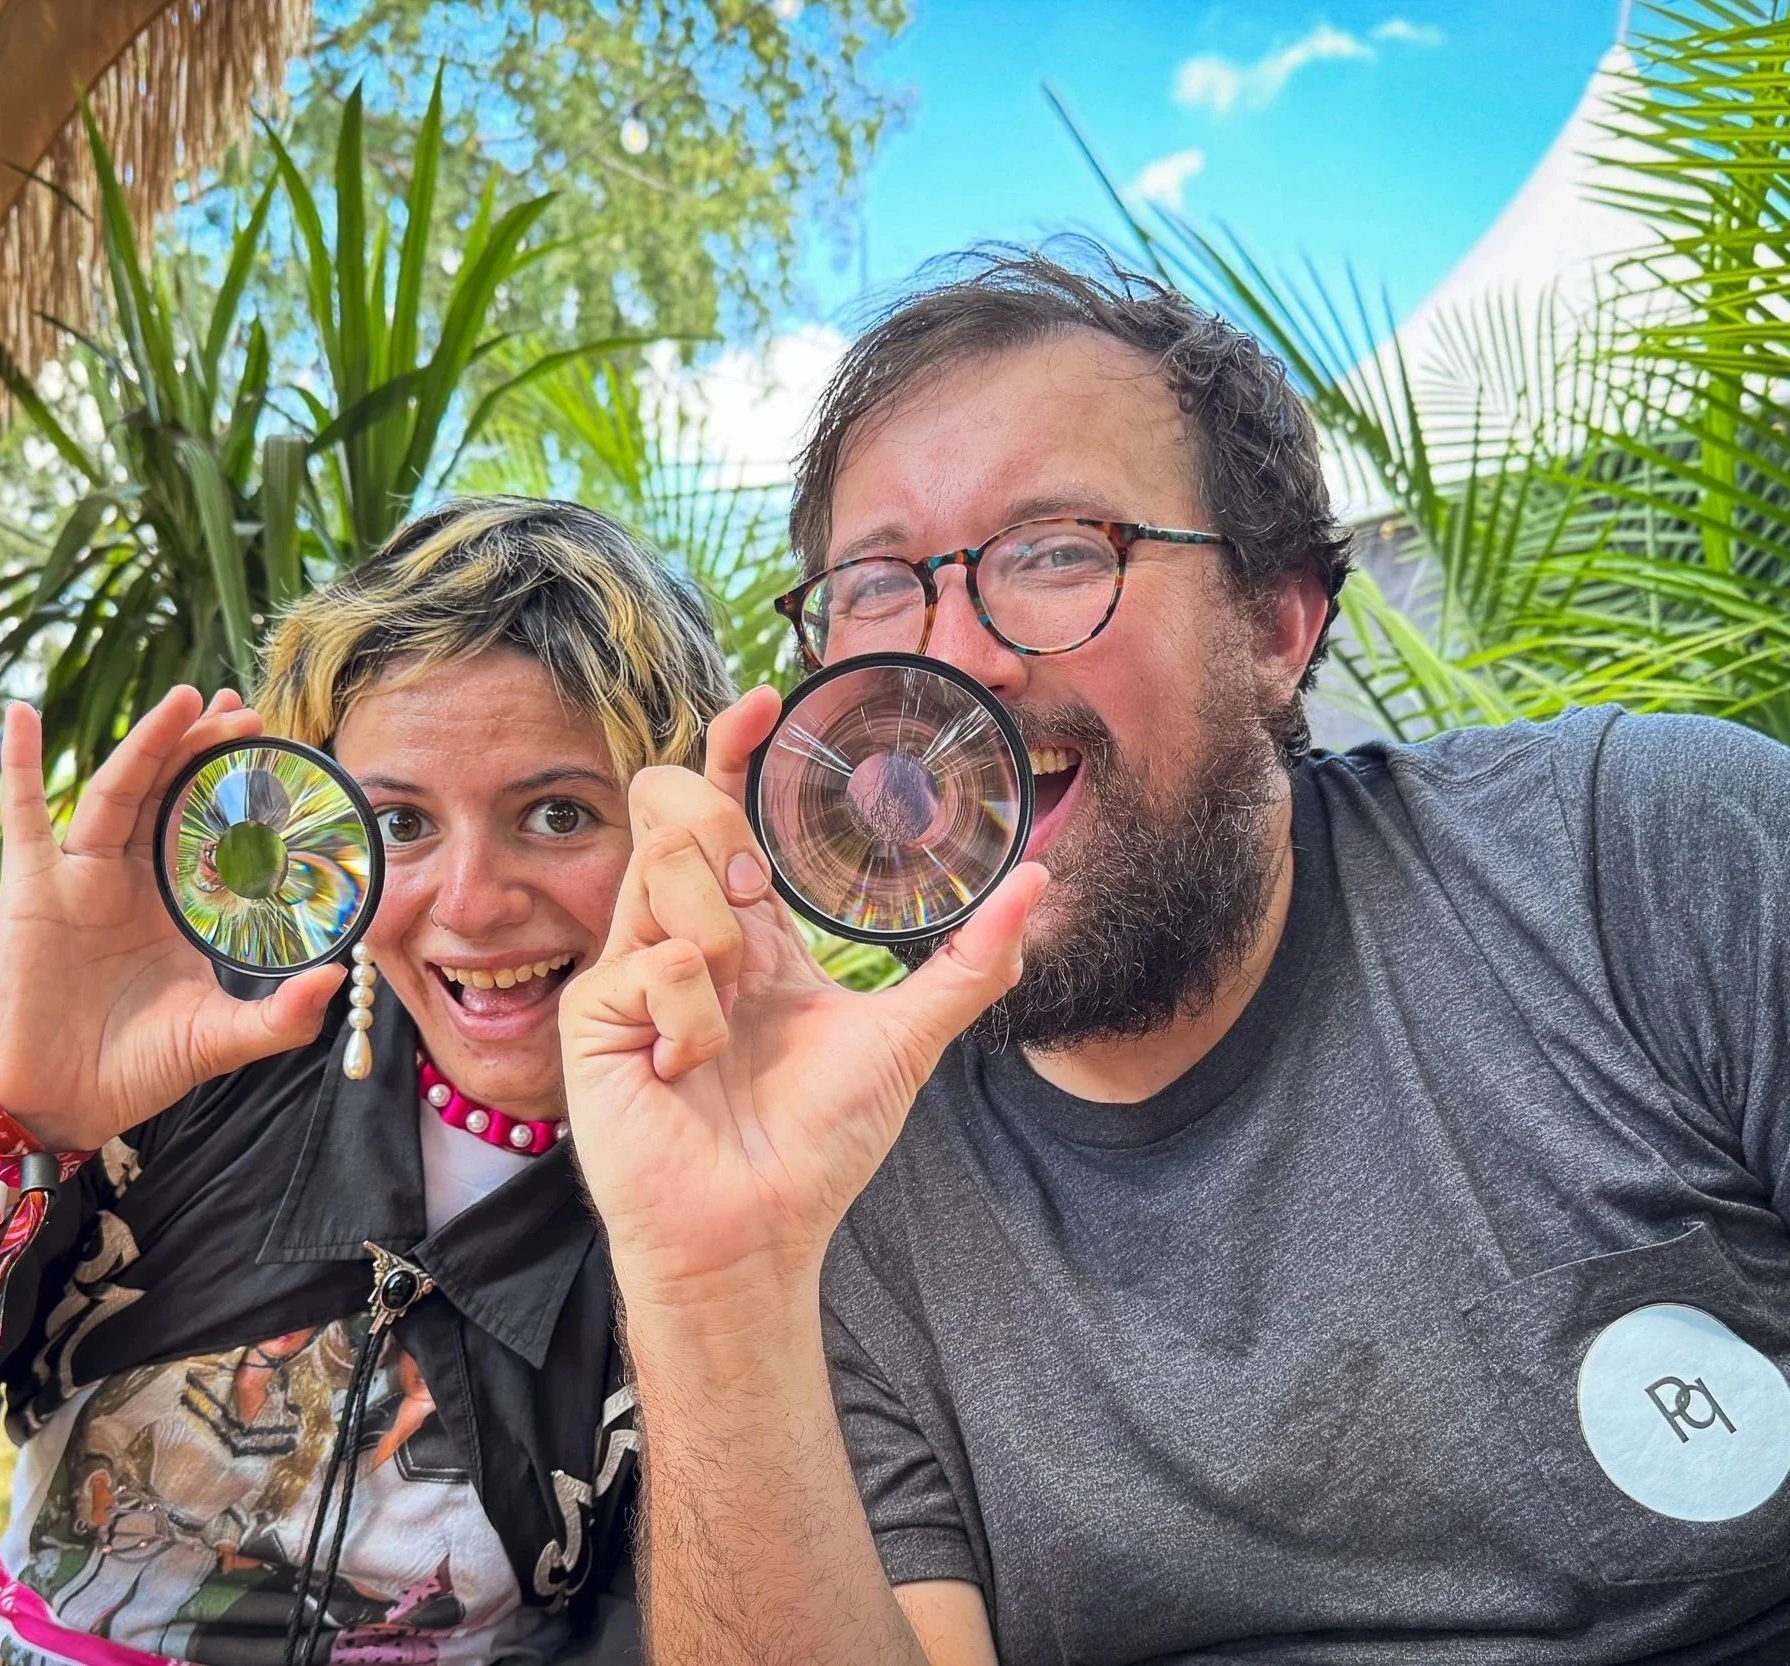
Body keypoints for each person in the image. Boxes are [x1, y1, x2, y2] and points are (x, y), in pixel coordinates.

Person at [557, 250, 1790, 1664]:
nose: (958, 656)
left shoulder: (1637, 861)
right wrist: (717, 1283)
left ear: (1276, 625)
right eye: (880, 584)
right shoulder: (838, 1169)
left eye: (1058, 549)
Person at [0, 496, 733, 1665]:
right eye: (403, 821)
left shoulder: (741, 1200)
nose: (472, 902)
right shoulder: (190, 1077)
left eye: (558, 812)